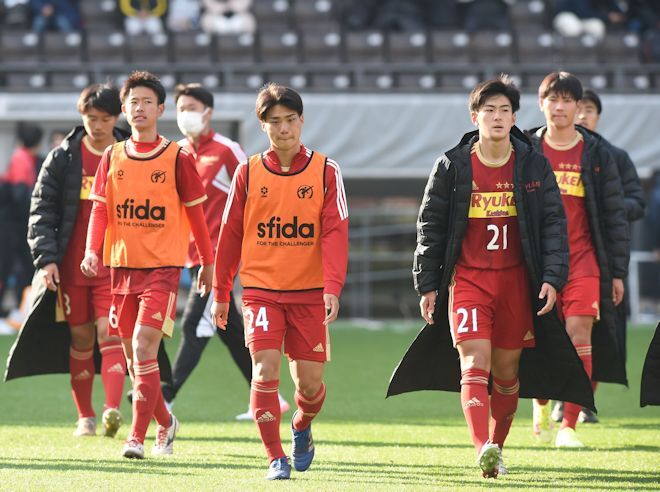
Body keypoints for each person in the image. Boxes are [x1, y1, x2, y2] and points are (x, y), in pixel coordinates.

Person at [387, 75, 593, 479]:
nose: (497, 117)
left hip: (516, 283)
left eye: (504, 110)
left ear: (515, 117)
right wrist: (427, 284)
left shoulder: (533, 163)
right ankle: (482, 446)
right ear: (474, 116)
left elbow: (553, 223)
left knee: (506, 373)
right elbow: (430, 226)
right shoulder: (452, 165)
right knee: (473, 363)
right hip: (468, 281)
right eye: (489, 110)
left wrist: (552, 276)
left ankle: (497, 448)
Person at [211, 83, 349, 480]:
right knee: (264, 370)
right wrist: (222, 292)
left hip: (309, 293)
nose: (284, 128)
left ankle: (302, 426)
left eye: (290, 120)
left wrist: (331, 287)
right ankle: (275, 457)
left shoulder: (326, 170)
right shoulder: (248, 172)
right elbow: (231, 234)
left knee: (309, 386)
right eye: (275, 122)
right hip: (260, 291)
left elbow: (336, 232)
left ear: (301, 121)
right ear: (263, 125)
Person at [81, 71, 214, 459]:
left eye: (146, 102)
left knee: (143, 348)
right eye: (132, 102)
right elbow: (100, 212)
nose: (139, 108)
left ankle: (136, 437)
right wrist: (93, 251)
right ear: (124, 109)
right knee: (134, 359)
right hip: (120, 269)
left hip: (163, 270)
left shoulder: (178, 157)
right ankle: (167, 423)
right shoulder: (113, 156)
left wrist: (206, 261)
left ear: (159, 109)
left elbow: (196, 216)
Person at [4, 85, 130, 437]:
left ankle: (111, 411)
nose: (98, 125)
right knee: (80, 338)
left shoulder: (131, 153)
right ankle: (85, 416)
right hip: (72, 266)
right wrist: (46, 260)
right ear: (81, 117)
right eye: (92, 118)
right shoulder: (64, 156)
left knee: (110, 332)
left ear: (116, 117)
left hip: (116, 265)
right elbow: (40, 210)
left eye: (105, 118)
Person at [161, 83, 289, 418]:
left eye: (192, 107)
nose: (186, 114)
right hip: (190, 256)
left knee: (193, 326)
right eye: (181, 108)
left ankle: (165, 395)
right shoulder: (177, 152)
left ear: (208, 112)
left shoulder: (227, 150)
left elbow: (257, 194)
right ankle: (269, 396)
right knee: (228, 328)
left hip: (218, 257)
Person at [528, 72, 629, 448]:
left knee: (578, 336)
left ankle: (569, 425)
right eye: (552, 99)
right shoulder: (526, 149)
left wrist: (616, 272)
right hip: (538, 264)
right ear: (542, 104)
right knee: (537, 343)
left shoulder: (597, 153)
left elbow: (614, 216)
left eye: (567, 100)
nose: (559, 107)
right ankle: (539, 401)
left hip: (584, 261)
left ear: (577, 107)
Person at [549, 88, 646, 424]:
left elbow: (635, 202)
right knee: (550, 333)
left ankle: (578, 404)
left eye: (588, 109)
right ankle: (551, 398)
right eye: (581, 109)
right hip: (551, 259)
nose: (582, 115)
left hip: (594, 257)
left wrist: (609, 208)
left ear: (596, 115)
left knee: (589, 333)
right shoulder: (536, 149)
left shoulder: (610, 156)